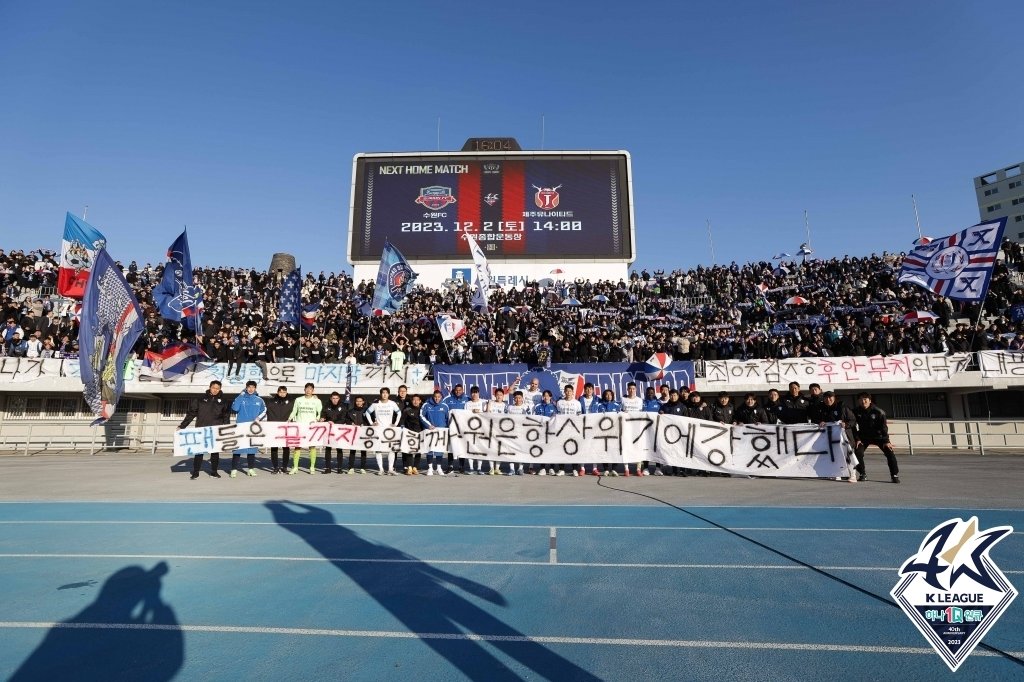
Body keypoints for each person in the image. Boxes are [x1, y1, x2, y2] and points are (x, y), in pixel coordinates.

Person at [178, 380, 231, 479]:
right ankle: (195, 472)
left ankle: (214, 472)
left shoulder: (223, 401)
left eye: (217, 388)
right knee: (199, 453)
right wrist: (182, 425)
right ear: (210, 387)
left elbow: (226, 416)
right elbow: (191, 413)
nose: (215, 390)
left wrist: (226, 428)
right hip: (201, 429)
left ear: (220, 389)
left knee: (215, 453)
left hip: (215, 430)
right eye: (213, 388)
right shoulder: (200, 399)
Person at [852, 392, 900, 483]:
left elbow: (884, 427)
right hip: (863, 437)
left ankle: (894, 475)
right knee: (858, 452)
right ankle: (862, 474)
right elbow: (853, 427)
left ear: (870, 401)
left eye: (865, 399)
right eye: (861, 399)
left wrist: (886, 441)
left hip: (879, 437)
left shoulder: (879, 411)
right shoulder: (855, 412)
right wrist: (857, 439)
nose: (863, 401)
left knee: (890, 453)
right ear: (858, 401)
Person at [816, 391, 859, 483]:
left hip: (845, 436)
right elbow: (817, 419)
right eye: (826, 398)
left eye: (830, 397)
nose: (828, 399)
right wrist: (821, 421)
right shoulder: (822, 409)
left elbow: (853, 420)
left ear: (834, 398)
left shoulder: (842, 407)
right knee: (835, 455)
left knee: (848, 455)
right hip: (831, 438)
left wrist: (846, 424)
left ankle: (853, 475)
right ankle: (838, 474)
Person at [230, 380, 266, 477]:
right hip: (240, 427)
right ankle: (233, 470)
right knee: (237, 450)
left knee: (252, 450)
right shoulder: (241, 398)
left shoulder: (259, 400)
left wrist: (258, 418)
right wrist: (240, 395)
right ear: (246, 387)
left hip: (252, 428)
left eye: (253, 387)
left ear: (255, 388)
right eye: (249, 387)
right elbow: (235, 408)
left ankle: (251, 469)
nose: (251, 389)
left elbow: (264, 411)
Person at [287, 382, 323, 474]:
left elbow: (320, 413)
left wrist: (316, 420)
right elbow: (294, 411)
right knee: (297, 446)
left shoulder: (317, 401)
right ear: (304, 389)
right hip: (300, 426)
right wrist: (289, 419)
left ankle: (312, 467)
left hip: (311, 427)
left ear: (313, 390)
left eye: (310, 389)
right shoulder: (298, 399)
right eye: (307, 388)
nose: (308, 390)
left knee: (312, 446)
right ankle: (295, 467)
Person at [366, 387, 401, 475]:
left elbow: (399, 413)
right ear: (380, 394)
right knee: (378, 449)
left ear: (388, 394)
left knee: (391, 449)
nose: (384, 394)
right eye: (383, 393)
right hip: (378, 429)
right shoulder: (376, 404)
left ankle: (390, 469)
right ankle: (381, 469)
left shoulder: (392, 403)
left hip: (389, 430)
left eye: (386, 393)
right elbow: (367, 413)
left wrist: (395, 424)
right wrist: (371, 423)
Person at [420, 390, 451, 476]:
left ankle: (439, 468)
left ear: (441, 397)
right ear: (433, 397)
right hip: (430, 430)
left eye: (439, 397)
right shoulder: (426, 405)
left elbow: (448, 419)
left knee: (439, 450)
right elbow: (421, 416)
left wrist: (447, 429)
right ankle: (430, 468)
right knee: (429, 450)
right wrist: (428, 425)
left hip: (441, 431)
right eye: (435, 397)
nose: (437, 399)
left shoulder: (445, 406)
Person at [555, 385, 581, 476]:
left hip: (573, 429)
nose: (568, 392)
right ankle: (561, 469)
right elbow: (557, 416)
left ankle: (574, 469)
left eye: (570, 391)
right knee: (561, 449)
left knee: (574, 448)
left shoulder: (577, 403)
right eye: (567, 391)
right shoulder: (560, 402)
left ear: (572, 392)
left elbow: (579, 417)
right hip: (562, 430)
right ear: (564, 392)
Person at [265, 386, 293, 474]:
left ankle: (284, 467)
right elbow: (264, 411)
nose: (282, 394)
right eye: (281, 392)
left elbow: (295, 412)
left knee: (286, 448)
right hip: (274, 428)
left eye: (284, 392)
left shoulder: (291, 402)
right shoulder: (271, 402)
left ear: (286, 392)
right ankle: (275, 467)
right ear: (277, 392)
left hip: (286, 428)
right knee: (274, 448)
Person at [442, 384, 469, 473]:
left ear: (463, 390)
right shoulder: (447, 399)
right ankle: (450, 466)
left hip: (462, 427)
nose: (458, 392)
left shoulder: (467, 399)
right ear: (454, 390)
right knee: (451, 447)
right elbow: (443, 410)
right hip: (451, 427)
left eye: (460, 390)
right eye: (456, 390)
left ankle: (461, 466)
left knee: (462, 446)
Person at [619, 382, 645, 476]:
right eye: (630, 388)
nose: (631, 390)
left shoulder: (640, 400)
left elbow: (642, 413)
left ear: (636, 389)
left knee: (638, 447)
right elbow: (620, 412)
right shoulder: (623, 400)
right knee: (625, 448)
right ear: (627, 389)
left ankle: (638, 469)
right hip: (626, 427)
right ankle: (626, 469)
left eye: (633, 388)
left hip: (637, 427)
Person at [321, 391, 349, 474]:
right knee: (328, 449)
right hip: (328, 430)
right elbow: (323, 415)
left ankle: (339, 468)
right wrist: (323, 419)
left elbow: (344, 418)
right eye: (333, 398)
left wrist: (335, 423)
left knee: (339, 449)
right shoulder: (326, 406)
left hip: (338, 430)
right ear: (330, 398)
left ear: (339, 398)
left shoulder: (343, 406)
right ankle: (328, 468)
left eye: (337, 398)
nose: (335, 400)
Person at [578, 383, 601, 477]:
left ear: (593, 390)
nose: (588, 391)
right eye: (587, 389)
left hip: (594, 426)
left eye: (590, 389)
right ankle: (582, 468)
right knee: (583, 447)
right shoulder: (580, 399)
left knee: (594, 447)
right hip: (583, 426)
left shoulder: (597, 399)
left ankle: (594, 468)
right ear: (584, 390)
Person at [464, 386, 487, 474]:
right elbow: (464, 415)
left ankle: (479, 468)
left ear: (479, 393)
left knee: (479, 449)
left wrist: (480, 412)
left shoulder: (483, 402)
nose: (474, 394)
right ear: (470, 394)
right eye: (473, 393)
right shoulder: (467, 404)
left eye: (476, 392)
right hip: (470, 429)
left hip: (481, 429)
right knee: (470, 449)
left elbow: (488, 414)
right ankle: (471, 468)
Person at [486, 387, 509, 475]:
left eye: (501, 395)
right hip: (491, 428)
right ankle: (491, 468)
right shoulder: (491, 403)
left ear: (503, 396)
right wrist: (488, 405)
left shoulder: (506, 405)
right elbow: (487, 414)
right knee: (491, 449)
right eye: (497, 395)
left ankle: (497, 468)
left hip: (501, 430)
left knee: (500, 449)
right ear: (495, 396)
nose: (499, 396)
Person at [598, 388, 621, 476]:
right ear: (604, 396)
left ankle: (614, 469)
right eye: (607, 394)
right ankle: (606, 469)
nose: (608, 396)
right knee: (605, 450)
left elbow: (621, 416)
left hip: (614, 432)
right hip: (603, 432)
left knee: (615, 450)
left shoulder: (617, 405)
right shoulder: (600, 405)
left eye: (610, 394)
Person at [534, 390, 557, 475]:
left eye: (547, 396)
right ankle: (542, 468)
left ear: (550, 397)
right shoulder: (538, 406)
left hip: (551, 431)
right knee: (542, 449)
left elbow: (557, 418)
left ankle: (551, 468)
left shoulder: (554, 406)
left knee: (551, 449)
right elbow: (534, 418)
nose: (546, 397)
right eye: (544, 396)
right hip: (541, 431)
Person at [401, 394, 426, 475]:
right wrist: (403, 429)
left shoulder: (423, 410)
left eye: (417, 400)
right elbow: (402, 421)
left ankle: (415, 467)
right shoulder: (407, 410)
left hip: (420, 433)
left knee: (418, 451)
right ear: (412, 401)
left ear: (420, 401)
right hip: (409, 433)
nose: (415, 401)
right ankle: (409, 467)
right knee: (409, 451)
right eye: (414, 400)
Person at [345, 396, 369, 474]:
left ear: (363, 402)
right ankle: (351, 467)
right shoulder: (351, 411)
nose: (358, 402)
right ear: (355, 402)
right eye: (357, 401)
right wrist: (351, 423)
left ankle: (363, 467)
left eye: (360, 401)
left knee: (363, 451)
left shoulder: (367, 411)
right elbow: (347, 419)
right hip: (353, 433)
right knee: (352, 450)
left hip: (363, 433)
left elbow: (369, 421)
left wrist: (364, 424)